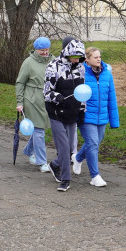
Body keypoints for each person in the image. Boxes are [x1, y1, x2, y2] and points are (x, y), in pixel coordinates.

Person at [43, 37, 86, 192]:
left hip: (72, 111)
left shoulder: (80, 67)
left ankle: (55, 165)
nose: (77, 59)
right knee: (64, 146)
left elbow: (82, 91)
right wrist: (57, 97)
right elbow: (47, 92)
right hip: (56, 112)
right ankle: (65, 180)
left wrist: (82, 109)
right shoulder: (53, 67)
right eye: (74, 56)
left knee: (69, 149)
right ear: (67, 52)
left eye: (79, 56)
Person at [74, 46, 119, 187]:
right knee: (93, 143)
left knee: (94, 143)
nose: (99, 59)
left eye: (99, 57)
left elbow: (111, 97)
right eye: (95, 57)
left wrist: (114, 120)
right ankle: (95, 176)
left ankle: (78, 158)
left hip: (102, 116)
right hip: (86, 116)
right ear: (87, 59)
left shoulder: (107, 74)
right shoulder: (80, 73)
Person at [15, 37, 52, 172]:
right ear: (36, 49)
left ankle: (28, 150)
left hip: (48, 99)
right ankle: (42, 162)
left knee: (40, 129)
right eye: (42, 50)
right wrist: (20, 102)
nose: (45, 52)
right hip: (32, 99)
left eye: (46, 49)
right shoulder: (28, 63)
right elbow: (20, 82)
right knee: (39, 131)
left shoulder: (53, 61)